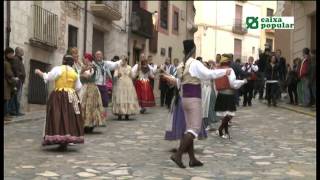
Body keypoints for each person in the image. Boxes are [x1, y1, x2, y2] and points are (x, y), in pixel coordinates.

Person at [165, 39, 230, 168]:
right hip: (194, 100)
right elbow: (208, 74)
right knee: (194, 129)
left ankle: (192, 159)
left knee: (189, 128)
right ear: (194, 50)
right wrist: (224, 71)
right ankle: (178, 155)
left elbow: (179, 83)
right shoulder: (195, 64)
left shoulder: (181, 66)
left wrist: (171, 79)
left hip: (185, 100)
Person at [34, 55, 84, 151]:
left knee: (57, 115)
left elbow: (48, 77)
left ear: (63, 61)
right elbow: (78, 87)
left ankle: (58, 137)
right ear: (72, 63)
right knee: (69, 116)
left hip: (59, 96)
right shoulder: (74, 72)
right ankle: (67, 138)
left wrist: (39, 72)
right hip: (71, 95)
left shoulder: (58, 69)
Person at [214, 54, 247, 139]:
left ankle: (226, 132)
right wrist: (243, 81)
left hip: (220, 94)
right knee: (229, 114)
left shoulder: (218, 69)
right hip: (228, 94)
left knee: (225, 115)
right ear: (228, 62)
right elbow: (233, 83)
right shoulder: (229, 70)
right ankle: (220, 130)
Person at [79, 53, 106, 133]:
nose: (83, 59)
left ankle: (90, 125)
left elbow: (88, 76)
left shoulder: (92, 67)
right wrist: (82, 70)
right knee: (83, 106)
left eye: (84, 58)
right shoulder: (84, 67)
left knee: (91, 106)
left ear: (88, 59)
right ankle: (84, 124)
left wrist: (82, 71)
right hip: (84, 88)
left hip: (91, 89)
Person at [92, 50, 123, 115]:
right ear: (95, 56)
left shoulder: (105, 63)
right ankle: (96, 116)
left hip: (103, 85)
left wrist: (122, 59)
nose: (98, 56)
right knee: (96, 102)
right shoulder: (93, 64)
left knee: (105, 101)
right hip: (95, 85)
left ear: (102, 56)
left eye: (99, 54)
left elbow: (114, 65)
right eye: (97, 55)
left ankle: (103, 116)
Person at [112, 56, 140, 120]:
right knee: (120, 98)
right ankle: (119, 113)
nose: (123, 61)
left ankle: (127, 113)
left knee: (128, 97)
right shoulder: (118, 67)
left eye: (124, 60)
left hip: (128, 84)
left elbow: (132, 76)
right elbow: (115, 75)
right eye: (122, 60)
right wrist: (117, 75)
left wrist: (137, 72)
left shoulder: (129, 67)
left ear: (126, 61)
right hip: (120, 83)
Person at [8, 47, 26, 116]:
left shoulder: (19, 59)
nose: (23, 51)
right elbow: (15, 69)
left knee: (17, 96)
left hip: (19, 80)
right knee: (16, 96)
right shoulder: (16, 59)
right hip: (17, 81)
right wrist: (20, 75)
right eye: (21, 50)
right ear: (18, 52)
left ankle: (15, 110)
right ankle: (14, 111)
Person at [4, 47, 17, 121]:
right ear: (7, 54)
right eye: (11, 53)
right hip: (6, 84)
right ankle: (6, 115)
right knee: (6, 99)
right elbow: (9, 73)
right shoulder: (7, 63)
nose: (13, 55)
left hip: (6, 82)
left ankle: (7, 114)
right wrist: (14, 78)